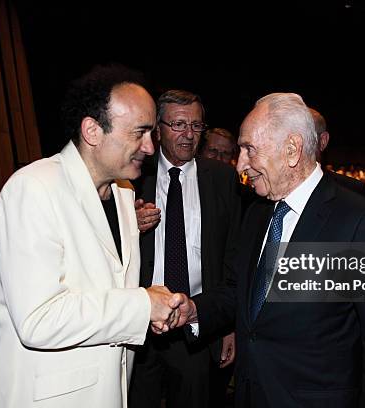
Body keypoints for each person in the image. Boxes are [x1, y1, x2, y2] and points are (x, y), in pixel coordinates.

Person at [179, 93, 365, 407]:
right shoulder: (257, 213)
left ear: (292, 150)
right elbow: (241, 292)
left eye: (249, 149)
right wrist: (193, 310)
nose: (240, 163)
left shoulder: (360, 223)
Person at [0, 65, 191, 408]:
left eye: (152, 133)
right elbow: (39, 319)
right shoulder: (34, 188)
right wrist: (142, 306)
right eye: (140, 133)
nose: (150, 147)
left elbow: (112, 294)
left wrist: (157, 310)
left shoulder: (124, 194)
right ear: (93, 131)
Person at [129, 90, 241, 408]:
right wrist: (128, 225)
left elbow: (231, 259)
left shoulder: (223, 180)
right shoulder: (132, 177)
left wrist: (226, 326)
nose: (189, 134)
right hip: (139, 325)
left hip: (195, 323)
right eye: (179, 124)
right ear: (158, 129)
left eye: (196, 125)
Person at [309, 107, 365, 198]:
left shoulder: (353, 192)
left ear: (322, 141)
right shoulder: (280, 190)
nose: (293, 145)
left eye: (304, 136)